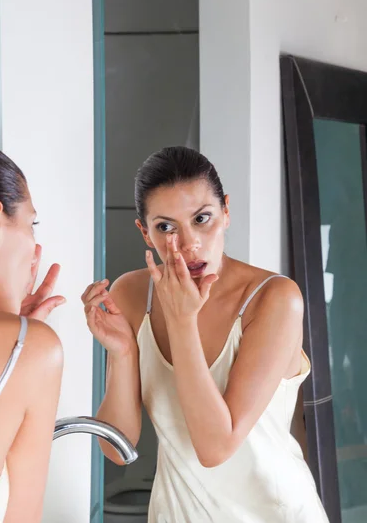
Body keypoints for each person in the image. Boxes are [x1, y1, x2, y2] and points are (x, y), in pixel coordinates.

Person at [82, 146, 329, 522]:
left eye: (202, 218)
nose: (188, 244)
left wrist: (182, 323)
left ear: (226, 211)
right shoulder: (132, 295)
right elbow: (118, 448)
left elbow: (215, 447)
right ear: (144, 232)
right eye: (166, 227)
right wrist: (123, 353)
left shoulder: (274, 299)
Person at [0, 137, 65, 522]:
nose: (35, 248)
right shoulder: (32, 351)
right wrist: (22, 341)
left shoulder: (24, 349)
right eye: (31, 224)